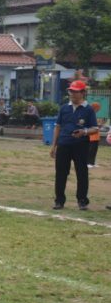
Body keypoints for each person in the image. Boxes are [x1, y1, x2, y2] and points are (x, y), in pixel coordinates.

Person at [50, 80, 98, 210]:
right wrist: (54, 145)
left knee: (82, 173)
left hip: (81, 146)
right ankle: (59, 200)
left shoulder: (88, 110)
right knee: (60, 173)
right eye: (71, 91)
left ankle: (82, 200)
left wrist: (84, 132)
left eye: (76, 92)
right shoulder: (64, 108)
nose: (73, 94)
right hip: (64, 144)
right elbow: (58, 127)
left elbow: (95, 128)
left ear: (83, 93)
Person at [87, 102, 101, 168]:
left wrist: (99, 125)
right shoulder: (90, 115)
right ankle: (88, 163)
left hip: (96, 136)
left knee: (94, 150)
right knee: (91, 150)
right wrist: (98, 125)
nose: (99, 109)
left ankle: (92, 162)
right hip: (91, 136)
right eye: (98, 108)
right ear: (95, 108)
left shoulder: (94, 114)